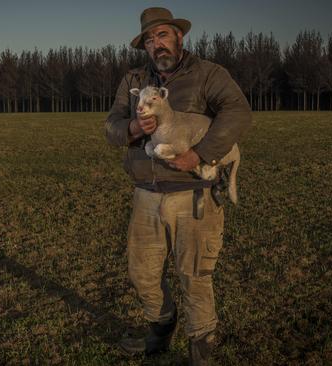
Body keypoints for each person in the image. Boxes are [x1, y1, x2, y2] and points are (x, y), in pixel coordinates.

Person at [105, 7, 252, 365]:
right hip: (145, 195)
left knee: (195, 275)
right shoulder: (133, 81)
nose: (158, 45)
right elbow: (111, 126)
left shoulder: (207, 74)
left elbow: (237, 111)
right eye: (150, 39)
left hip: (193, 194)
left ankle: (201, 345)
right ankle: (160, 329)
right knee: (142, 274)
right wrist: (135, 129)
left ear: (179, 37)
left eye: (163, 35)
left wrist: (199, 153)